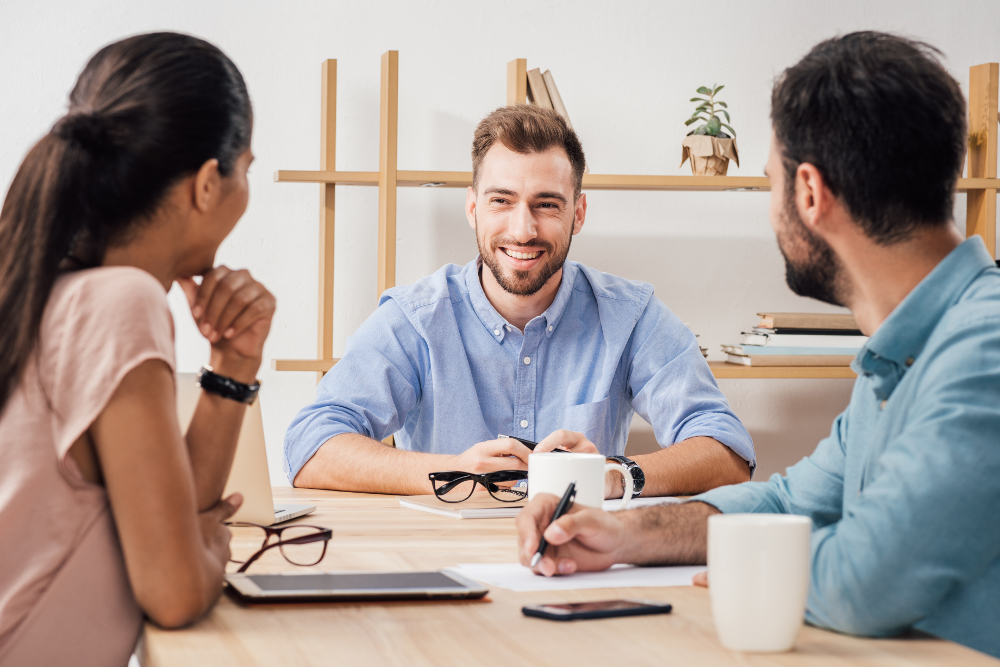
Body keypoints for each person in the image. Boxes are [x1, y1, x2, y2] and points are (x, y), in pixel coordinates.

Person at [515, 32, 1000, 659]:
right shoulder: (904, 353)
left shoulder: (983, 348)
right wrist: (620, 533)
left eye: (769, 183)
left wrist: (752, 567)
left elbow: (866, 578)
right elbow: (787, 503)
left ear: (809, 193)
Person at [285, 105, 754, 497]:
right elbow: (309, 447)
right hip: (444, 562)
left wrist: (615, 475)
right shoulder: (416, 318)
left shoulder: (629, 316)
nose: (523, 230)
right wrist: (453, 472)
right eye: (501, 201)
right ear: (472, 208)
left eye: (547, 204)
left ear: (578, 213)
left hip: (579, 563)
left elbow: (728, 451)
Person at [0, 33, 276, 666]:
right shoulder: (120, 303)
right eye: (247, 169)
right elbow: (175, 591)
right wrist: (208, 547)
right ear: (209, 183)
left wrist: (233, 367)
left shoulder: (53, 288)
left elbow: (172, 518)